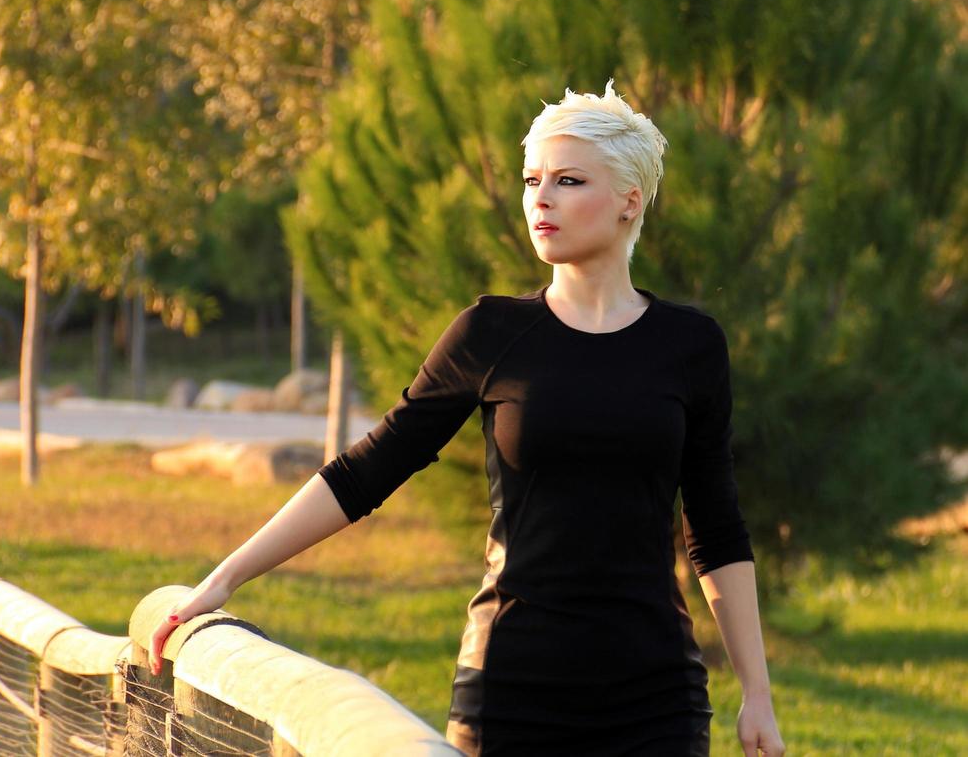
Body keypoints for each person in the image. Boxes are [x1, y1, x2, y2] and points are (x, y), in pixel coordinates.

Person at [147, 80, 786, 756]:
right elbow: (368, 469)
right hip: (512, 687)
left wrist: (758, 693)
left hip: (657, 700)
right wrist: (223, 578)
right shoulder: (490, 332)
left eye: (568, 180)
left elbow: (715, 529)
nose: (540, 197)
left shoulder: (689, 346)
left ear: (631, 200)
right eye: (532, 178)